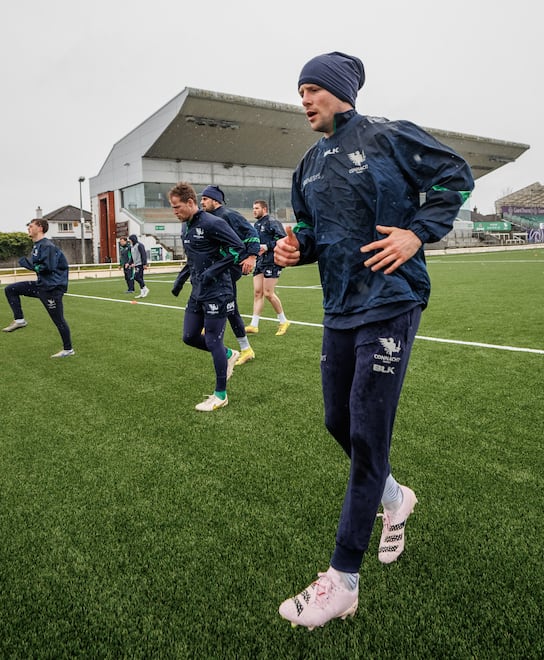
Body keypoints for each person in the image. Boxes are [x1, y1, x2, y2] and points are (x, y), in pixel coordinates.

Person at [274, 52, 475, 629]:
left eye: (313, 89)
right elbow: (312, 232)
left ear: (341, 92)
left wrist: (417, 233)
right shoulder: (307, 166)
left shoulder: (388, 136)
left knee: (365, 432)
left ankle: (342, 580)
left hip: (390, 300)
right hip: (339, 308)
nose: (305, 100)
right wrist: (296, 250)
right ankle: (394, 496)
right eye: (300, 92)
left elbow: (454, 177)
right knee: (336, 422)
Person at [169, 182, 246, 411]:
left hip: (218, 291)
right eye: (172, 207)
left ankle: (220, 395)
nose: (174, 211)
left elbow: (238, 248)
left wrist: (213, 271)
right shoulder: (186, 227)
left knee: (213, 340)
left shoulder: (213, 223)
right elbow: (193, 258)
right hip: (198, 290)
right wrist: (180, 280)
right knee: (189, 336)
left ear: (191, 203)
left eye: (177, 206)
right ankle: (230, 354)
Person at [199, 185, 259, 366]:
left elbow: (252, 232)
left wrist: (251, 256)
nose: (202, 202)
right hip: (217, 268)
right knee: (217, 299)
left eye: (205, 199)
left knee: (230, 307)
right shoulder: (207, 218)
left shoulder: (228, 215)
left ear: (215, 200)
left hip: (230, 268)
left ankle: (246, 349)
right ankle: (211, 327)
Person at [1, 218, 75, 358]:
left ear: (40, 228)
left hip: (52, 289)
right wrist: (30, 265)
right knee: (10, 289)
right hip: (42, 286)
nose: (28, 228)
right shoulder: (37, 245)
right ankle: (19, 320)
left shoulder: (47, 246)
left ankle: (68, 349)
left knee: (58, 320)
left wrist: (29, 265)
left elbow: (48, 268)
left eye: (31, 226)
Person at [246, 200, 291, 336]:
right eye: (253, 208)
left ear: (264, 209)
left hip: (272, 261)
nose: (254, 210)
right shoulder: (256, 224)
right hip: (261, 261)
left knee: (268, 293)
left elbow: (283, 238)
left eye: (256, 208)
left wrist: (267, 246)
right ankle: (254, 325)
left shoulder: (272, 222)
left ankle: (283, 321)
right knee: (257, 292)